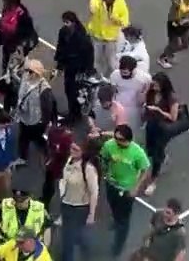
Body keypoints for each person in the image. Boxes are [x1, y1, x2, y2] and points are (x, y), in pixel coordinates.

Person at [100, 124, 150, 257]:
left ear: (129, 139)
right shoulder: (109, 145)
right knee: (113, 206)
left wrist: (136, 187)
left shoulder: (137, 153)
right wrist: (104, 172)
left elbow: (145, 170)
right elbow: (104, 158)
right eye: (116, 138)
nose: (117, 141)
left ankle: (119, 244)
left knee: (124, 220)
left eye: (121, 140)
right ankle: (116, 219)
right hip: (111, 185)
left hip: (127, 190)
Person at [56, 140, 100, 261]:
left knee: (70, 239)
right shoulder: (69, 161)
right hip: (66, 204)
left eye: (76, 150)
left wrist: (91, 214)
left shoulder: (88, 169)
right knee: (69, 236)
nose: (72, 151)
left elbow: (94, 192)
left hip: (80, 208)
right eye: (71, 148)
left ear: (84, 152)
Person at [141, 72, 180, 195]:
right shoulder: (151, 92)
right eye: (153, 85)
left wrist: (159, 110)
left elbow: (173, 117)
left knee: (156, 156)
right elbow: (144, 102)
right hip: (151, 124)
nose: (154, 87)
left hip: (163, 128)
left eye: (156, 85)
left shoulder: (171, 98)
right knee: (149, 149)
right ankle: (162, 158)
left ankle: (153, 181)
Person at [86, 0, 128, 78]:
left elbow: (125, 21)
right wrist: (95, 8)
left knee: (111, 61)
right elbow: (93, 7)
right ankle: (98, 76)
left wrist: (117, 20)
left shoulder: (120, 2)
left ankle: (116, 76)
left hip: (111, 38)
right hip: (97, 35)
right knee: (97, 59)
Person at [0, 0, 37, 75]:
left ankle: (15, 74)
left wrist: (4, 25)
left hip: (17, 43)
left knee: (16, 61)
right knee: (5, 56)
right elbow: (2, 20)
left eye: (5, 2)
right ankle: (4, 71)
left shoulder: (22, 15)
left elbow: (23, 30)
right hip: (7, 40)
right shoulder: (6, 9)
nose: (4, 4)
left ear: (12, 4)